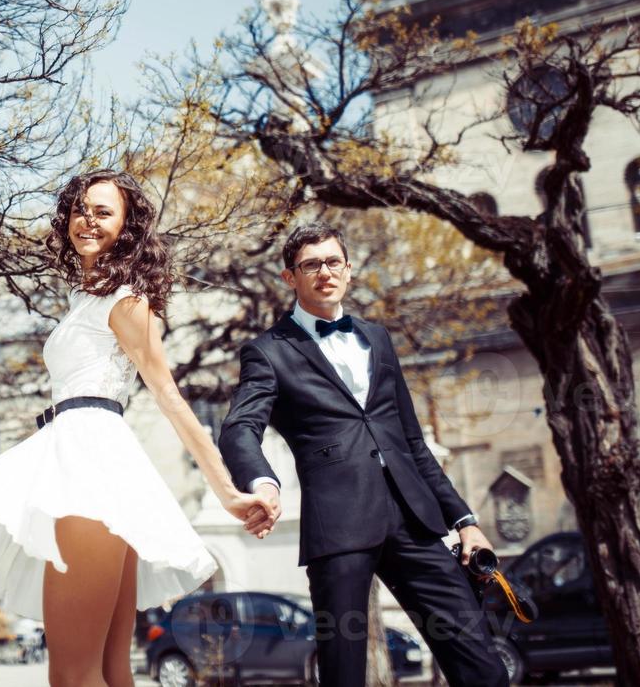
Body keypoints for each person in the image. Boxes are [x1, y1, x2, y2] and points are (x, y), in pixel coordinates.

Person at [0, 169, 267, 687]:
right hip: (85, 456)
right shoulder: (84, 297)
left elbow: (170, 397)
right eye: (81, 209)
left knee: (72, 675)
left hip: (92, 466)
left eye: (103, 211)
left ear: (127, 225)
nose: (88, 220)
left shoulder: (127, 300)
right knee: (108, 672)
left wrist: (228, 492)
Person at [218, 222, 510, 687]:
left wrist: (465, 521)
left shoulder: (377, 338)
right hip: (338, 525)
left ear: (349, 270)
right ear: (289, 277)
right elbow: (238, 428)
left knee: (482, 664)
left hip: (413, 517)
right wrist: (263, 483)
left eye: (333, 262)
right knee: (344, 673)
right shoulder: (268, 352)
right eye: (310, 265)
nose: (324, 272)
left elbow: (411, 441)